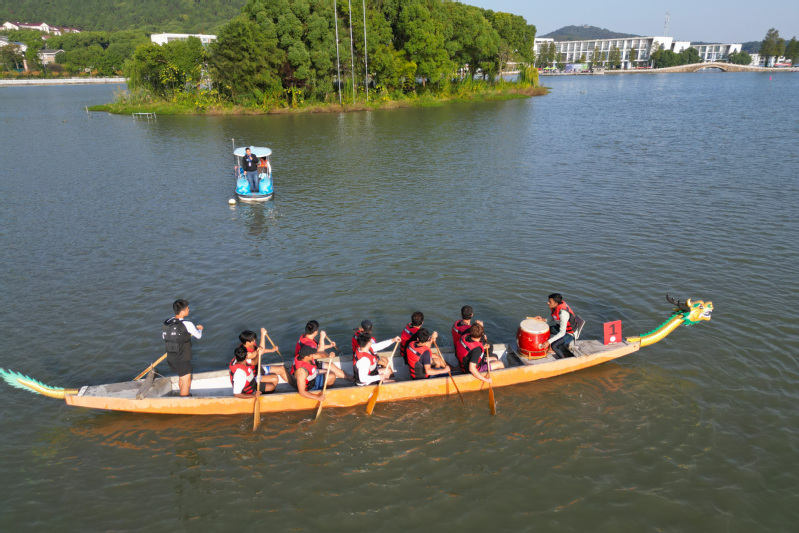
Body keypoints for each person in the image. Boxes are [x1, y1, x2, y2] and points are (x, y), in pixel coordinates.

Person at [162, 299, 203, 397]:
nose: (189, 310)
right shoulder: (187, 324)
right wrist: (200, 329)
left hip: (171, 356)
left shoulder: (167, 322)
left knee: (181, 376)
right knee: (186, 380)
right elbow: (198, 336)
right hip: (182, 357)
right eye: (187, 308)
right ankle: (184, 398)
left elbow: (164, 337)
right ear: (182, 311)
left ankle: (182, 394)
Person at [534, 293, 577, 359]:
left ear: (556, 303)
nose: (548, 303)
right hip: (561, 328)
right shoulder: (555, 308)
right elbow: (554, 317)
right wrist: (543, 319)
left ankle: (563, 358)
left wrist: (548, 342)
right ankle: (548, 347)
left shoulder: (563, 314)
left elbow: (562, 332)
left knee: (554, 346)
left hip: (569, 334)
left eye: (550, 302)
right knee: (546, 330)